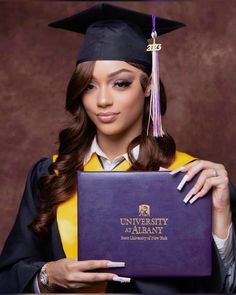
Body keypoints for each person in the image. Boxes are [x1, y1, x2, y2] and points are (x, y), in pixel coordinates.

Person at [0, 3, 235, 293]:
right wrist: (46, 276)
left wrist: (221, 220)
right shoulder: (50, 175)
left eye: (120, 83)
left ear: (148, 86)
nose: (102, 101)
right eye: (89, 85)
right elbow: (7, 278)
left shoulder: (191, 178)